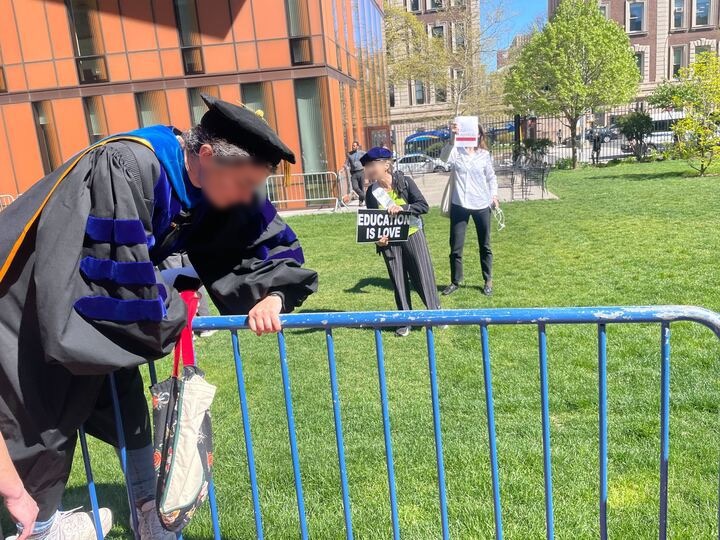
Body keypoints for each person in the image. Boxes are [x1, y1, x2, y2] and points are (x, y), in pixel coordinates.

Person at [0, 94, 318, 539]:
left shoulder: (210, 180)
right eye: (245, 183)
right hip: (27, 304)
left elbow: (256, 238)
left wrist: (275, 295)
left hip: (80, 306)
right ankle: (39, 528)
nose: (248, 195)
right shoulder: (126, 166)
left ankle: (149, 511)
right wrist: (175, 303)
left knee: (125, 402)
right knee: (41, 416)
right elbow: (111, 280)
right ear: (207, 156)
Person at [363, 147, 441, 337]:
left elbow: (423, 206)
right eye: (367, 167)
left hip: (413, 234)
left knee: (423, 275)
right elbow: (373, 222)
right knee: (398, 279)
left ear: (386, 165)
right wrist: (378, 241)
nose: (369, 170)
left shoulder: (405, 182)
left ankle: (437, 314)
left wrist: (403, 207)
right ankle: (405, 320)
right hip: (389, 241)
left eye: (372, 165)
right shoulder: (372, 193)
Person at [440, 123, 498, 297]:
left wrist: (494, 196)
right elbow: (444, 159)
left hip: (481, 204)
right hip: (460, 205)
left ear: (480, 136)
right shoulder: (457, 152)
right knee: (456, 247)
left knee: (485, 245)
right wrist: (452, 138)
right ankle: (455, 281)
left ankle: (488, 280)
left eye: (477, 133)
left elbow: (491, 177)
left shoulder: (484, 155)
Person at [346, 141, 366, 205]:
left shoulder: (362, 153)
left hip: (361, 172)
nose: (353, 147)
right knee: (355, 187)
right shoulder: (349, 154)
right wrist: (345, 167)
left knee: (361, 187)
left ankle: (360, 202)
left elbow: (368, 156)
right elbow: (346, 163)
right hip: (354, 173)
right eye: (352, 145)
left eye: (354, 146)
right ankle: (364, 196)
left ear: (357, 146)